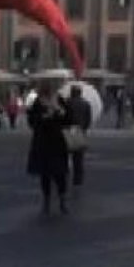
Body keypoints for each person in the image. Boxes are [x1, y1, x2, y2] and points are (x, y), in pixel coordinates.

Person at [26, 85, 71, 215]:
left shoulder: (60, 100)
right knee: (45, 174)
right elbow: (32, 122)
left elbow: (69, 119)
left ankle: (62, 200)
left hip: (57, 143)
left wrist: (60, 111)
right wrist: (44, 117)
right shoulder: (37, 103)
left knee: (60, 174)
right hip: (43, 143)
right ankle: (47, 200)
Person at [64, 85, 94, 187]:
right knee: (78, 158)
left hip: (68, 131)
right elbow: (88, 120)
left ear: (72, 93)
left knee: (64, 155)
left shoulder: (67, 103)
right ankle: (78, 180)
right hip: (80, 131)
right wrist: (83, 128)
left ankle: (64, 174)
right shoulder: (86, 104)